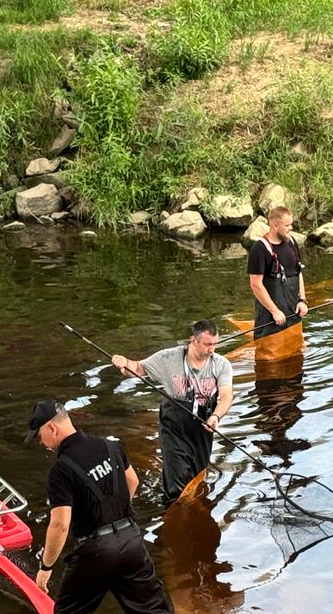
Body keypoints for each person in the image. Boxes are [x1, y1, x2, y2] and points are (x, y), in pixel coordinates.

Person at [25, 399, 214, 614]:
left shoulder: (61, 469)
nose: (41, 443)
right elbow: (132, 481)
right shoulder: (111, 447)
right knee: (153, 609)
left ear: (52, 427)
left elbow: (60, 524)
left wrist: (46, 566)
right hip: (130, 542)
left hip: (95, 550)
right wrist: (115, 513)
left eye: (40, 436)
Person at [110, 320, 234, 505]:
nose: (212, 349)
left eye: (215, 344)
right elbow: (137, 368)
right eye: (208, 344)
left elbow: (226, 395)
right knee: (176, 479)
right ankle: (171, 509)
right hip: (174, 425)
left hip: (203, 423)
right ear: (193, 340)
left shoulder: (221, 364)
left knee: (197, 474)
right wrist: (123, 362)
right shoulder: (168, 358)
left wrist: (216, 416)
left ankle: (194, 508)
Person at [247, 206, 308, 340]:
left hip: (293, 312)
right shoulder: (259, 249)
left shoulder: (291, 242)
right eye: (287, 225)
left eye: (291, 224)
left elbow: (298, 272)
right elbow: (255, 285)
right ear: (275, 225)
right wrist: (274, 311)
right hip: (270, 318)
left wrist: (302, 300)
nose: (291, 228)